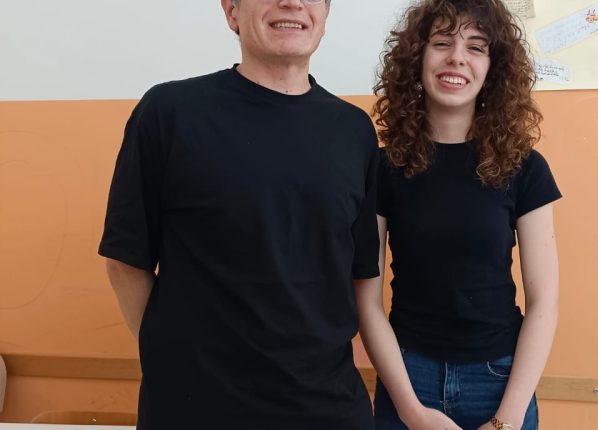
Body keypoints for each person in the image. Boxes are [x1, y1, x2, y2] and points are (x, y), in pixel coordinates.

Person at [99, 0, 380, 428]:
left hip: (327, 409)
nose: (292, 2)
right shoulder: (168, 112)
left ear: (325, 13)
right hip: (194, 410)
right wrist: (173, 363)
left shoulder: (355, 131)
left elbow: (357, 276)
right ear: (231, 10)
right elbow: (125, 261)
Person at [354, 0, 561, 429]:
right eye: (442, 42)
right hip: (407, 377)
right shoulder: (384, 168)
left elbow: (544, 301)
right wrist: (410, 410)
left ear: (493, 68)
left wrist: (506, 419)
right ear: (417, 57)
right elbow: (367, 302)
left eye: (476, 47)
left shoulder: (526, 168)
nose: (457, 58)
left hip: (501, 382)